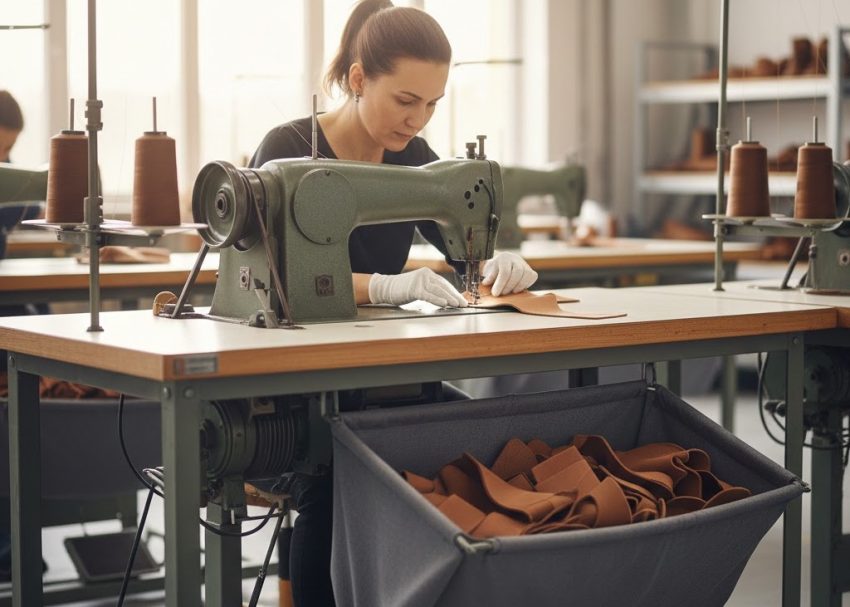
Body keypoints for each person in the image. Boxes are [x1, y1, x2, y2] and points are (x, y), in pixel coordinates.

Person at [248, 1, 537, 604]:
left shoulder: (414, 158)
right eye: (406, 100)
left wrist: (497, 261)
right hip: (288, 388)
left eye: (432, 103)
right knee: (332, 479)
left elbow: (462, 247)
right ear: (359, 79)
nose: (418, 119)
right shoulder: (288, 147)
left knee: (480, 439)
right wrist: (386, 285)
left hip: (377, 375)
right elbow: (276, 279)